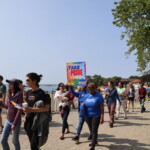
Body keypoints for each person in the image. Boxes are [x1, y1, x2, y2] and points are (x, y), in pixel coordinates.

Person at [24, 73, 50, 150]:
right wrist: (25, 115)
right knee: (33, 144)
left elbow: (46, 108)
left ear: (34, 81)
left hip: (37, 122)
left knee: (33, 145)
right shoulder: (28, 92)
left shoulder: (42, 93)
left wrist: (32, 110)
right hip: (28, 121)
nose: (26, 82)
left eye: (28, 80)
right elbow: (27, 105)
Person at [0, 79, 23, 150]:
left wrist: (15, 123)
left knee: (15, 141)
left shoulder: (19, 94)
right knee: (3, 140)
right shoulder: (9, 94)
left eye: (10, 83)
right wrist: (1, 103)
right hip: (8, 120)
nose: (8, 85)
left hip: (15, 121)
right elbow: (9, 107)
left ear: (15, 85)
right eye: (8, 83)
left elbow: (19, 109)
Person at [82, 83, 104, 150]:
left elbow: (102, 107)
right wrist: (83, 104)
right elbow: (84, 103)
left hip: (96, 115)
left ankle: (93, 146)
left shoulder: (99, 96)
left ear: (94, 88)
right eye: (88, 87)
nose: (89, 88)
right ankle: (95, 141)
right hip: (87, 115)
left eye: (91, 87)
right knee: (91, 130)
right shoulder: (86, 96)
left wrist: (102, 117)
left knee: (94, 130)